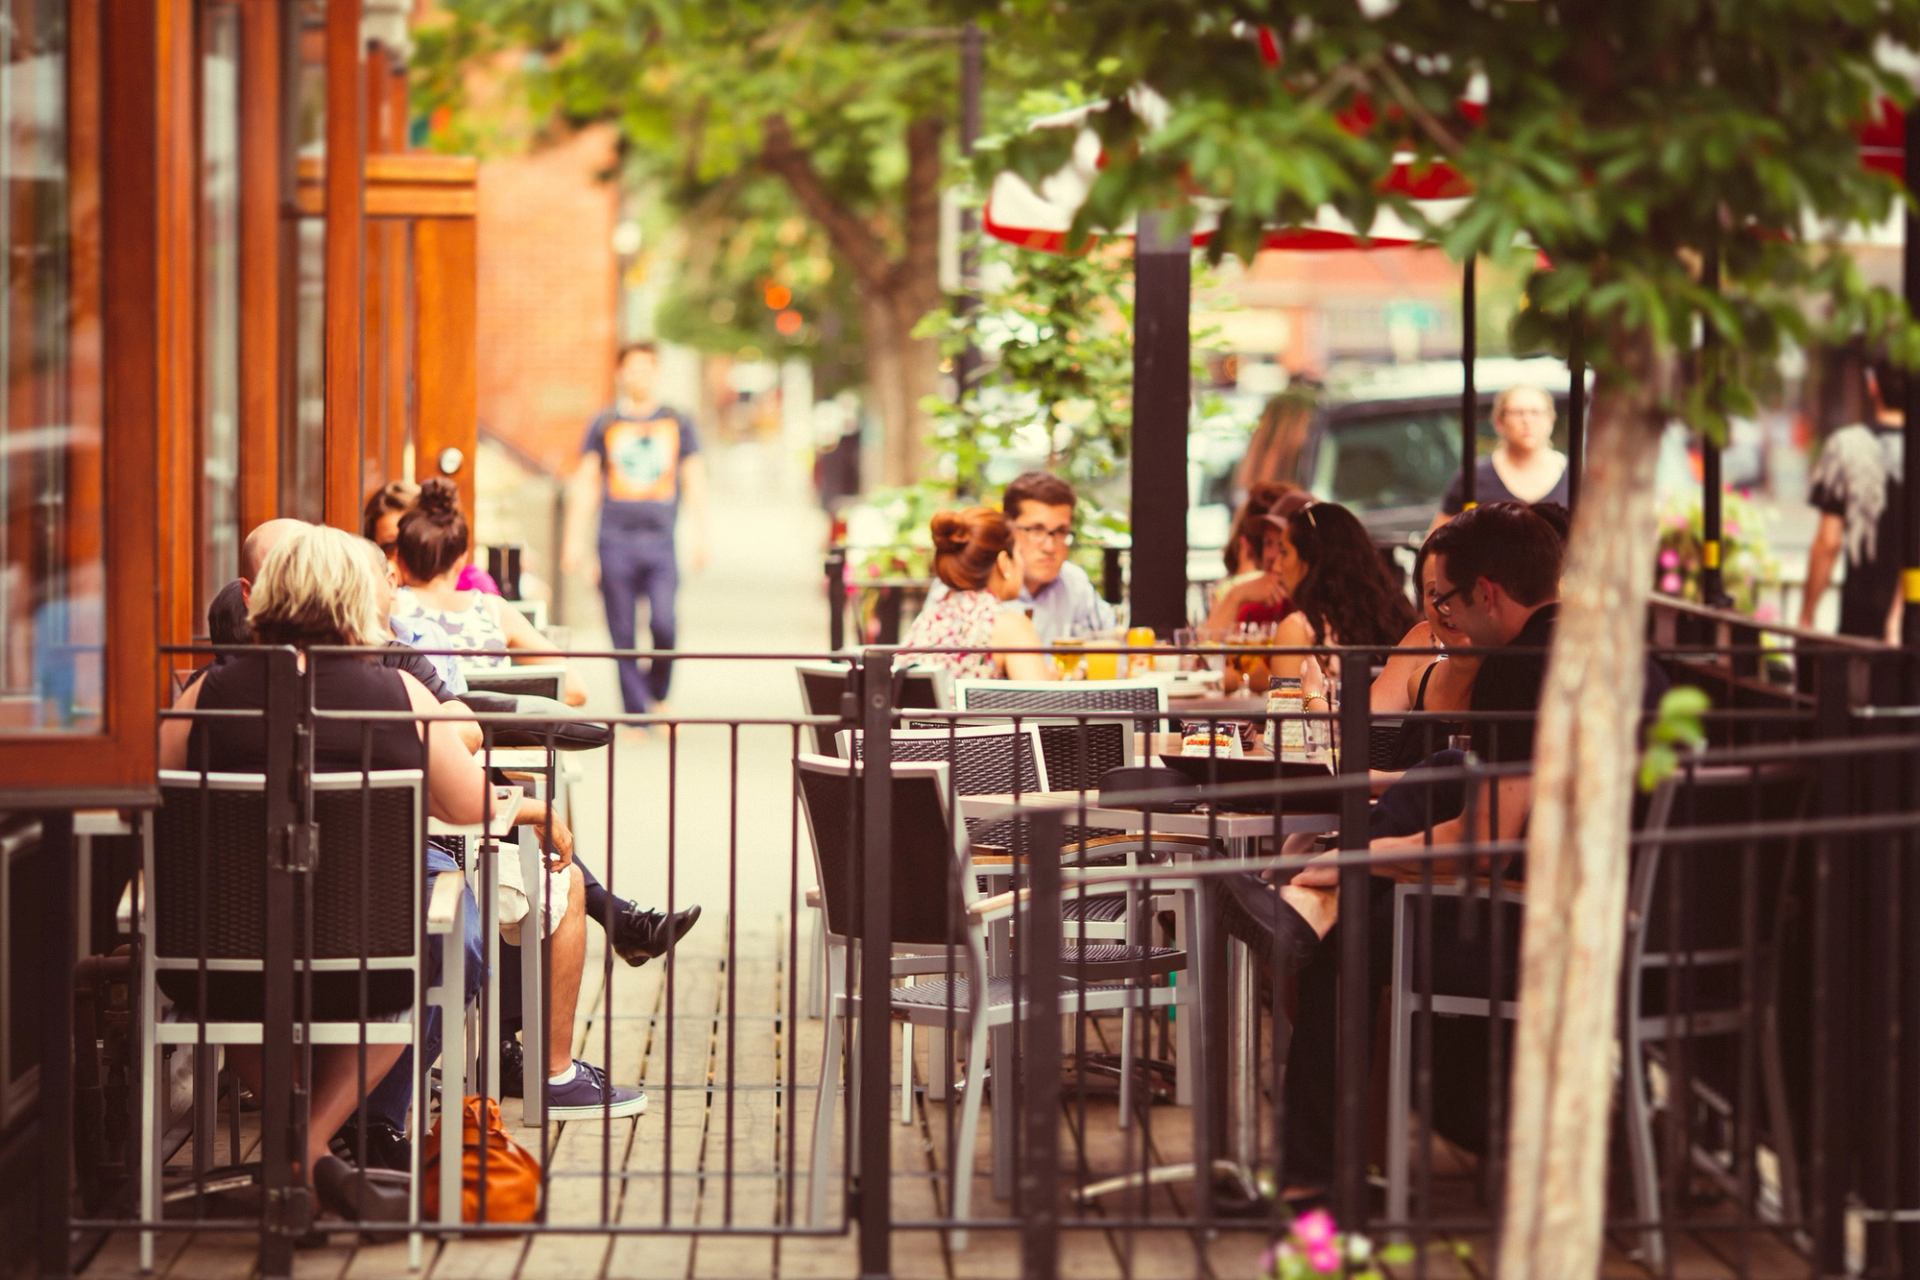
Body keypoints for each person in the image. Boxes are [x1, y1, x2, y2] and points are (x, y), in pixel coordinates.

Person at [160, 527, 646, 1219]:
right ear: (355, 596)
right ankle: (310, 1147)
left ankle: (300, 1149)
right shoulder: (395, 693)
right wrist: (539, 810)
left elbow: (155, 789)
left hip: (223, 956)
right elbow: (469, 805)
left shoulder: (207, 691)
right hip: (368, 959)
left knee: (239, 989)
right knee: (426, 964)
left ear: (266, 595)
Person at [561, 341, 710, 716]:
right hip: (614, 541)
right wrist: (573, 541)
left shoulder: (677, 421)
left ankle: (657, 694)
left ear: (656, 372)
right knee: (622, 632)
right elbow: (587, 482)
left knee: (665, 623)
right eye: (632, 368)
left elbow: (695, 479)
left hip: (661, 541)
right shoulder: (606, 423)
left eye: (646, 368)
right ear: (620, 373)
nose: (639, 376)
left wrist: (701, 536)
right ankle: (636, 712)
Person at [393, 479, 588, 706]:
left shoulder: (391, 608)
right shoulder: (492, 611)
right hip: (496, 738)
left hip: (421, 736)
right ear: (461, 559)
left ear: (399, 560)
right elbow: (574, 688)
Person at [1802, 355, 1905, 642]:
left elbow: (1828, 542)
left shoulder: (1846, 445)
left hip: (1861, 623)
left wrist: (1806, 616)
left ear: (1873, 386)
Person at [1264, 500, 1416, 681]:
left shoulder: (1297, 630)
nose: (1277, 566)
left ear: (1312, 559)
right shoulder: (1397, 617)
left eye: (1284, 552)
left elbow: (1285, 707)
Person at [901, 508, 1058, 682]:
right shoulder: (1009, 625)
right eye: (1019, 553)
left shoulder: (929, 618)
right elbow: (1042, 706)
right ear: (1004, 562)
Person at [1429, 386, 1569, 533]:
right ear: (1499, 422)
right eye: (1518, 413)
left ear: (1551, 420)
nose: (1527, 420)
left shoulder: (1576, 476)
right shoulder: (1473, 477)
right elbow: (1437, 544)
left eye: (1536, 413)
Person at [1203, 482, 1310, 632]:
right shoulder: (1257, 607)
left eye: (1283, 548)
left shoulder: (1327, 615)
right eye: (1268, 543)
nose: (1272, 556)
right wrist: (1236, 595)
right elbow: (1206, 648)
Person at [364, 480, 500, 596]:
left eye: (412, 540)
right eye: (389, 546)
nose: (402, 554)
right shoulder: (374, 588)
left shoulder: (473, 584)